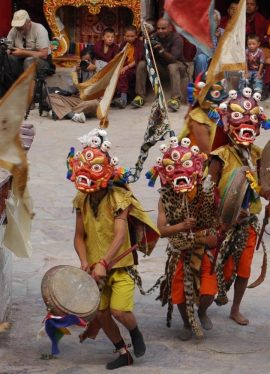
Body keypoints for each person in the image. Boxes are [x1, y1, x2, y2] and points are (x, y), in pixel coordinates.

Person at [68, 128, 159, 369]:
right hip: (95, 270)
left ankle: (135, 331)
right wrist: (85, 261)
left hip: (119, 267)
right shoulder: (81, 200)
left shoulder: (119, 197)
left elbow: (119, 236)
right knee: (99, 312)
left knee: (119, 311)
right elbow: (78, 236)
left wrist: (104, 262)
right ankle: (122, 351)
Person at [208, 89, 270, 326]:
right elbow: (210, 188)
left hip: (248, 223)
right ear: (228, 124)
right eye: (240, 120)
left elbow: (265, 186)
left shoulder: (258, 155)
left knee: (244, 269)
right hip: (223, 222)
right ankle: (205, 302)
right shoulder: (220, 155)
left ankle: (235, 308)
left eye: (252, 121)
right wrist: (224, 212)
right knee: (218, 267)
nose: (247, 126)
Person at [148, 137, 219, 341]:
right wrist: (181, 226)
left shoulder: (207, 192)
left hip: (203, 247)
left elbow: (217, 222)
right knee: (178, 291)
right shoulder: (166, 198)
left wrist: (212, 235)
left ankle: (202, 311)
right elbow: (161, 230)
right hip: (180, 250)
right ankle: (187, 323)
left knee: (208, 292)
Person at [133, 18, 187, 112]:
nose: (160, 31)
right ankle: (140, 97)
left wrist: (162, 51)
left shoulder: (177, 39)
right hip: (161, 68)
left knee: (172, 66)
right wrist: (147, 46)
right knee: (142, 64)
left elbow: (173, 59)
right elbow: (144, 58)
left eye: (163, 28)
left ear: (170, 28)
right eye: (158, 28)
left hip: (177, 67)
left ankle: (175, 99)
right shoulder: (153, 37)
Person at [48, 48, 99, 123]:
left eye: (88, 61)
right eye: (83, 61)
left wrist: (95, 68)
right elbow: (71, 90)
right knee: (50, 97)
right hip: (78, 99)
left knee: (94, 103)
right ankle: (73, 115)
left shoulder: (101, 65)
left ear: (94, 60)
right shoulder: (79, 68)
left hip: (92, 100)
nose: (86, 63)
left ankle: (63, 112)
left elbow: (109, 72)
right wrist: (76, 73)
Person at [5, 10, 51, 77]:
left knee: (29, 60)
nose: (18, 28)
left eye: (21, 26)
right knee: (6, 58)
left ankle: (27, 85)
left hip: (41, 61)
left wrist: (23, 52)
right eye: (17, 26)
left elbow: (44, 55)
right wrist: (7, 51)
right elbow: (7, 47)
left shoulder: (40, 29)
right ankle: (10, 83)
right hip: (21, 60)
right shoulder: (14, 30)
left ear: (29, 22)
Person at [113, 26, 144, 109]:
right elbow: (120, 56)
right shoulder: (124, 44)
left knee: (123, 74)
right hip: (125, 65)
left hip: (135, 68)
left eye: (132, 36)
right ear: (124, 36)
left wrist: (126, 67)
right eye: (127, 36)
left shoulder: (139, 44)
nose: (130, 38)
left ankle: (123, 99)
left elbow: (138, 59)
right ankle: (116, 96)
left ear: (136, 36)